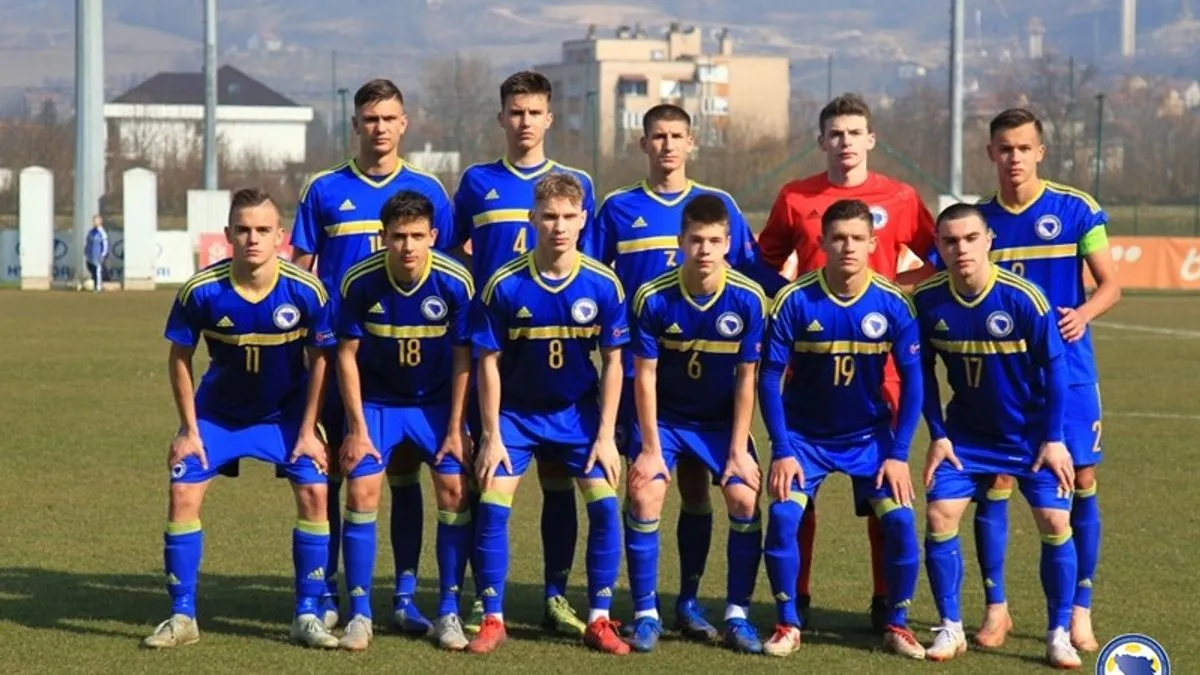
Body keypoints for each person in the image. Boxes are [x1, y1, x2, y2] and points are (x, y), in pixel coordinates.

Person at [588, 103, 786, 640]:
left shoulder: (718, 207)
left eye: (678, 135)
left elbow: (751, 273)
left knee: (710, 491)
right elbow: (592, 279)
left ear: (692, 143)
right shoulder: (617, 208)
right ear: (643, 143)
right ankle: (645, 609)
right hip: (644, 378)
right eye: (658, 136)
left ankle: (701, 606)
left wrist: (799, 289)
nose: (668, 145)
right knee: (643, 488)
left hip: (715, 383)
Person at [757, 93, 936, 630]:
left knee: (885, 493)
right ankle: (799, 600)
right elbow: (762, 260)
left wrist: (895, 290)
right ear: (822, 142)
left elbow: (935, 256)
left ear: (870, 140)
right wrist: (795, 300)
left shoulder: (900, 197)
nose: (845, 142)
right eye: (835, 133)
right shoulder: (795, 197)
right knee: (797, 499)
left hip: (879, 368)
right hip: (811, 359)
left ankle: (887, 605)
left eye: (854, 133)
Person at [290, 77, 459, 633]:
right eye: (370, 119)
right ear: (356, 125)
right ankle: (333, 590)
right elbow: (301, 272)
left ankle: (405, 598)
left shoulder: (429, 190)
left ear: (403, 124)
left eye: (389, 118)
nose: (379, 128)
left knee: (406, 474)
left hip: (410, 363)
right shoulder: (323, 189)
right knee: (337, 475)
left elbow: (449, 271)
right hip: (341, 359)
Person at [142, 188, 338, 650]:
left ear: (281, 237)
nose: (253, 238)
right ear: (228, 234)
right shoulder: (201, 290)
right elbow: (179, 358)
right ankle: (182, 615)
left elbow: (323, 360)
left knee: (314, 488)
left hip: (285, 415)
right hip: (218, 416)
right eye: (244, 229)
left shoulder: (306, 291)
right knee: (183, 486)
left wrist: (309, 430)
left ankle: (307, 614)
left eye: (263, 230)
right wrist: (189, 429)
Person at [970, 108, 1121, 651]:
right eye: (1004, 148)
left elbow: (1109, 286)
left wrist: (1084, 314)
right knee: (997, 481)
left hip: (1071, 373)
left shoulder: (1075, 209)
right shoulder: (979, 223)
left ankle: (1080, 606)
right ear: (990, 153)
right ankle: (996, 610)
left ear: (1040, 152)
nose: (1014, 158)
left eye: (1023, 148)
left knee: (1079, 480)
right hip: (1004, 379)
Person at [451, 70, 596, 636]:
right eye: (515, 112)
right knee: (475, 477)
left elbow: (592, 266)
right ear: (501, 118)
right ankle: (473, 598)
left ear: (550, 118)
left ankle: (556, 597)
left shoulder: (576, 183)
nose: (525, 122)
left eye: (534, 112)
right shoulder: (476, 182)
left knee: (560, 480)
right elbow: (447, 253)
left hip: (558, 361)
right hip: (490, 356)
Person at [466, 172, 628, 655]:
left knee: (605, 505)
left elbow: (616, 362)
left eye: (568, 218)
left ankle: (599, 618)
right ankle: (492, 617)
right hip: (514, 415)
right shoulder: (505, 283)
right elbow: (487, 364)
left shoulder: (603, 284)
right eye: (549, 217)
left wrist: (605, 436)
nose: (559, 226)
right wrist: (492, 434)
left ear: (583, 221)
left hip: (577, 415)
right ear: (533, 219)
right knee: (494, 503)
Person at [913, 202, 1080, 669]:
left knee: (1053, 521)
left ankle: (1058, 633)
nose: (960, 248)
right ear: (939, 248)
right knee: (941, 513)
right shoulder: (927, 302)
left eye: (970, 238)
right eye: (949, 241)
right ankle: (950, 627)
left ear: (989, 240)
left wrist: (1053, 439)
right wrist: (938, 434)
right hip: (965, 437)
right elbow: (921, 372)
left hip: (1031, 437)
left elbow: (1055, 366)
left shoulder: (1024, 298)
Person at [622, 194, 768, 654]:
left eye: (714, 241)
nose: (704, 250)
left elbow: (748, 379)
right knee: (646, 491)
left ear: (728, 243)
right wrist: (648, 446)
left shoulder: (748, 299)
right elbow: (643, 376)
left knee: (743, 495)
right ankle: (646, 612)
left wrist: (740, 448)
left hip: (720, 421)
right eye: (696, 240)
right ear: (680, 242)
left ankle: (731, 612)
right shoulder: (653, 296)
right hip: (664, 419)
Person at [333, 191, 475, 652]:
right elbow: (346, 356)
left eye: (417, 236)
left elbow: (463, 360)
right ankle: (359, 613)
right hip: (378, 403)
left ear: (433, 236)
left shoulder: (456, 282)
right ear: (383, 238)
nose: (408, 246)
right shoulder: (359, 281)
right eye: (398, 236)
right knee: (361, 486)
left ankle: (448, 609)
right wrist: (356, 428)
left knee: (454, 488)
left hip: (435, 405)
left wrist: (456, 428)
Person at [84, 214, 109, 292]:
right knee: (92, 270)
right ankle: (94, 285)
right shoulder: (91, 232)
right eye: (94, 221)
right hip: (90, 256)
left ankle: (98, 287)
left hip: (98, 256)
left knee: (97, 271)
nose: (94, 222)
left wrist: (103, 255)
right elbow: (88, 242)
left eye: (96, 220)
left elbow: (105, 245)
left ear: (100, 221)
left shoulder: (102, 233)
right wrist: (86, 251)